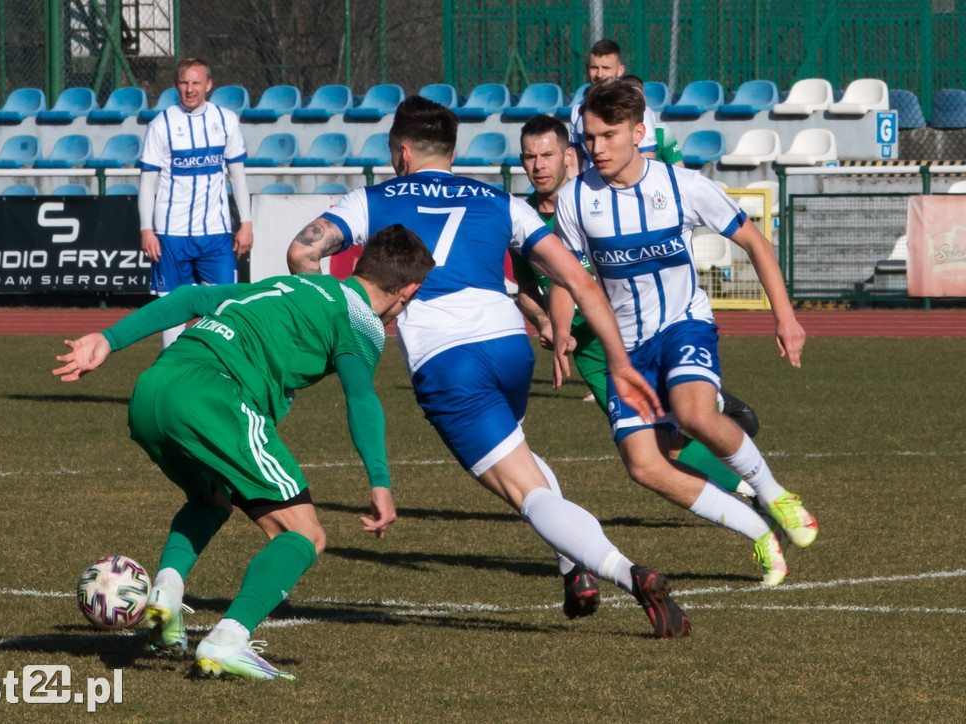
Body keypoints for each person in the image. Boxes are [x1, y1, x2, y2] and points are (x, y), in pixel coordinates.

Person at [287, 95, 691, 639]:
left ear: (400, 153)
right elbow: (579, 281)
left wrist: (350, 316)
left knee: (526, 492)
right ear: (451, 153)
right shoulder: (499, 200)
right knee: (520, 455)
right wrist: (618, 362)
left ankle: (628, 573)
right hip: (509, 345)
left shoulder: (372, 199)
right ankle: (574, 571)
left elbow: (300, 252)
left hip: (447, 360)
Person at [53, 225, 436, 680]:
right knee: (304, 534)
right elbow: (361, 399)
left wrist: (108, 339)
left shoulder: (297, 282)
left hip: (152, 392)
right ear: (408, 290)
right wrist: (380, 481)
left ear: (358, 266)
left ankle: (167, 593)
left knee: (211, 499)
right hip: (215, 397)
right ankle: (229, 637)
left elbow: (191, 299)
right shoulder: (363, 324)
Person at [550, 79, 818, 587]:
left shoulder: (682, 185)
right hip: (624, 349)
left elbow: (755, 242)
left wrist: (784, 315)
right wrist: (562, 327)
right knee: (646, 465)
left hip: (682, 323)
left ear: (638, 131)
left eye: (608, 135)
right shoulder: (575, 200)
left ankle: (776, 495)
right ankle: (759, 532)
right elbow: (570, 275)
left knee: (695, 413)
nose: (596, 148)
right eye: (589, 137)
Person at [515, 113, 757, 496]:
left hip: (631, 332)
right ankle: (747, 491)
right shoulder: (520, 219)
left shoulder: (592, 198)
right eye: (529, 157)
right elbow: (527, 285)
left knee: (670, 424)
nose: (538, 166)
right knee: (656, 441)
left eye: (547, 155)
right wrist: (546, 321)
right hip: (588, 351)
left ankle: (709, 410)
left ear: (568, 157)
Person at [138, 57, 254, 349]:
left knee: (225, 309)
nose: (190, 89)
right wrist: (146, 229)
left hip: (216, 234)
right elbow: (147, 182)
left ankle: (219, 378)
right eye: (184, 83)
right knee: (173, 313)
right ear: (177, 85)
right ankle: (171, 382)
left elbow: (237, 176)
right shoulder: (161, 124)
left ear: (209, 85)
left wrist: (247, 223)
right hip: (171, 235)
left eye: (196, 83)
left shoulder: (225, 119)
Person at [568, 40, 657, 176]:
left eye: (606, 68)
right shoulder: (577, 111)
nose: (599, 74)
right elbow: (575, 163)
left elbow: (648, 160)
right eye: (594, 67)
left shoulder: (640, 111)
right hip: (590, 192)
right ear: (587, 69)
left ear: (620, 70)